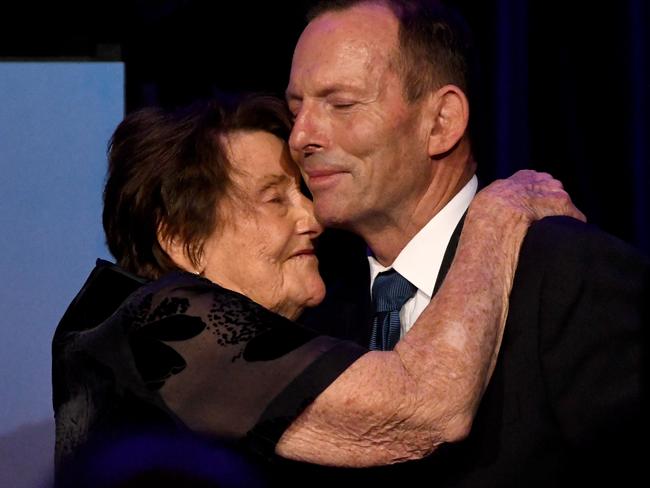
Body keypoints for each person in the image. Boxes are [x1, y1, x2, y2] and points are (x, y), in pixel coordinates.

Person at [52, 94, 582, 485]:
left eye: (301, 193)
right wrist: (496, 216)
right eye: (274, 199)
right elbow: (422, 406)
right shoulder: (162, 324)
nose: (313, 218)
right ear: (183, 240)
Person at [284, 0, 649, 486]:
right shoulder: (315, 307)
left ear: (441, 122)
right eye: (296, 108)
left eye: (341, 104)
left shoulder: (568, 272)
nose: (300, 136)